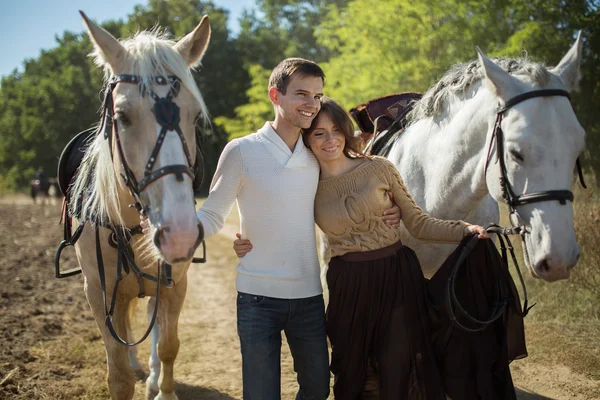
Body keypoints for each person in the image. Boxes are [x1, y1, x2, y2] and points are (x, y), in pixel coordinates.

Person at [234, 97, 525, 400]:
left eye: (336, 130)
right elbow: (281, 224)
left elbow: (419, 224)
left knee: (399, 367)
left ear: (346, 132)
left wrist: (464, 230)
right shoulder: (306, 183)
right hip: (348, 285)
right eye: (319, 133)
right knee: (352, 371)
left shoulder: (379, 169)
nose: (330, 139)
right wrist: (246, 240)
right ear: (307, 138)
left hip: (397, 278)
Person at [143, 58, 401, 400]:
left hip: (309, 296)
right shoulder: (241, 151)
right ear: (275, 96)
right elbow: (213, 213)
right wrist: (186, 232)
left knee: (317, 389)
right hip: (257, 298)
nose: (312, 103)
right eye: (302, 94)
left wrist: (388, 209)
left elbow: (350, 188)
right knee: (261, 393)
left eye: (318, 96)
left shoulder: (317, 154)